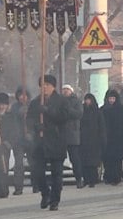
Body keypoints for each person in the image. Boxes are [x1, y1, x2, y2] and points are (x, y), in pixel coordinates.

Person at [27, 75, 69, 211]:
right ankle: (45, 193)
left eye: (47, 85)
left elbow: (64, 117)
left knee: (57, 174)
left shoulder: (62, 101)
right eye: (42, 85)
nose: (44, 87)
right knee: (38, 172)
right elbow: (29, 119)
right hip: (40, 143)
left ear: (53, 86)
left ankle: (55, 200)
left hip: (57, 141)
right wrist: (35, 127)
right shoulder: (35, 102)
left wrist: (48, 111)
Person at [101, 90, 123, 185]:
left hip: (118, 139)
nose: (111, 100)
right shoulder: (103, 109)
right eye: (109, 98)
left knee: (117, 160)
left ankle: (116, 177)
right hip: (106, 139)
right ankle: (108, 177)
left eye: (113, 98)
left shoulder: (121, 109)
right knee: (107, 160)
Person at [79, 94, 106, 188]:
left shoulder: (97, 112)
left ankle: (93, 180)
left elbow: (101, 126)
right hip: (83, 139)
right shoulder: (82, 111)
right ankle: (85, 179)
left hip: (94, 140)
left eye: (89, 100)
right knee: (84, 161)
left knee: (93, 162)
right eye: (86, 100)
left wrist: (102, 138)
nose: (87, 102)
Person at [61, 84, 84, 189]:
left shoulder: (76, 101)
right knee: (58, 159)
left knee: (75, 159)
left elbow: (79, 114)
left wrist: (68, 109)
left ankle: (78, 179)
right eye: (64, 90)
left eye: (67, 90)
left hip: (72, 135)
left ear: (71, 91)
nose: (65, 91)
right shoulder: (59, 101)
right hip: (60, 135)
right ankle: (58, 180)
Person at [8, 87, 30, 195]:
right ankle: (18, 187)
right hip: (18, 139)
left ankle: (37, 185)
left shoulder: (31, 106)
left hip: (30, 138)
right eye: (20, 95)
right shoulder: (14, 108)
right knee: (19, 164)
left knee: (34, 162)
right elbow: (12, 122)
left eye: (25, 95)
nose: (23, 97)